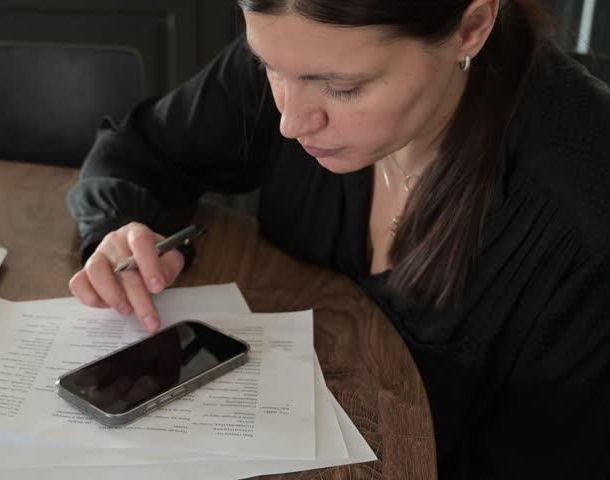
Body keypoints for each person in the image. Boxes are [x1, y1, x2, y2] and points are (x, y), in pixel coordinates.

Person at [65, 0, 610, 478]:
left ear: (470, 27)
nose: (290, 121)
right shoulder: (304, 47)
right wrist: (122, 230)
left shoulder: (581, 212)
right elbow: (138, 149)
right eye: (267, 67)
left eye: (343, 88)